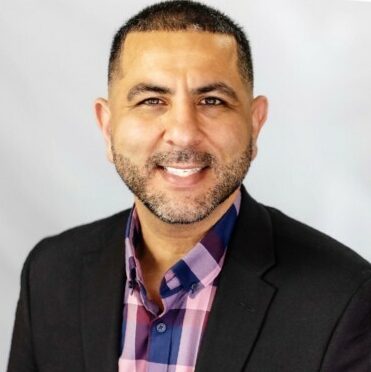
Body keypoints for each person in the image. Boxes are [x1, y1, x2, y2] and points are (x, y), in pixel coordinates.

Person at [7, 1, 371, 371]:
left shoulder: (345, 299)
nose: (183, 134)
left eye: (212, 100)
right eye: (152, 100)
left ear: (255, 123)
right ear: (107, 126)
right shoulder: (50, 274)